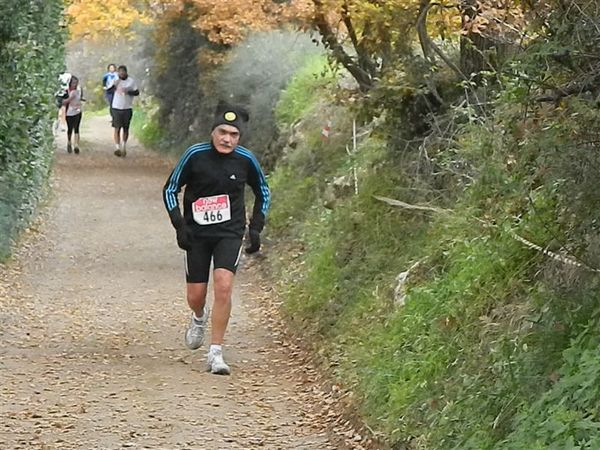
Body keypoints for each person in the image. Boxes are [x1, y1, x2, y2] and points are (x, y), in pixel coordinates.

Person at [162, 101, 270, 375]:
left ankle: (216, 353)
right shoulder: (195, 155)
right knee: (196, 295)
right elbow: (170, 188)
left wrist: (255, 227)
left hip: (229, 233)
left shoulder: (246, 160)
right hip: (196, 234)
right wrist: (179, 225)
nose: (227, 139)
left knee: (223, 286)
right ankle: (199, 317)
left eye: (234, 135)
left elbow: (263, 192)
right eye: (222, 132)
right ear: (212, 132)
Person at [110, 65, 139, 157]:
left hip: (127, 107)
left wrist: (128, 92)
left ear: (126, 72)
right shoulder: (115, 80)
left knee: (126, 128)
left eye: (123, 72)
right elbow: (109, 90)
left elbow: (137, 92)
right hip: (116, 107)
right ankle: (117, 147)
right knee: (117, 128)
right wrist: (115, 84)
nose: (121, 74)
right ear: (118, 73)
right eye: (120, 72)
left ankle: (124, 146)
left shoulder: (131, 81)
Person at [63, 76, 83, 154]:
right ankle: (69, 142)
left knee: (77, 128)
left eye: (76, 83)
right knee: (70, 128)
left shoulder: (79, 90)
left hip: (77, 111)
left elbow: (80, 98)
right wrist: (70, 99)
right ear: (70, 83)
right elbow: (63, 102)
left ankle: (76, 145)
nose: (75, 84)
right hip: (69, 112)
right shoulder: (66, 91)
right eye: (73, 83)